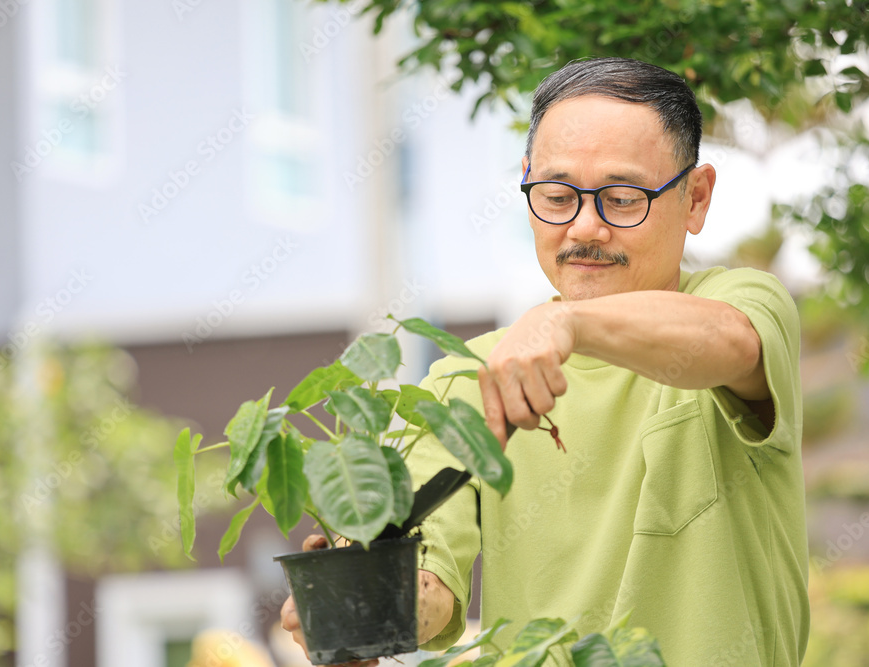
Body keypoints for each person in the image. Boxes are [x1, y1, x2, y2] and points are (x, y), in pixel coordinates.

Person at [283, 56, 809, 666]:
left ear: (695, 198)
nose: (585, 228)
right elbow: (431, 589)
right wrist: (363, 604)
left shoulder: (741, 304)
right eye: (557, 197)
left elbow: (729, 343)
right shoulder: (467, 376)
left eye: (622, 197)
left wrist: (565, 323)